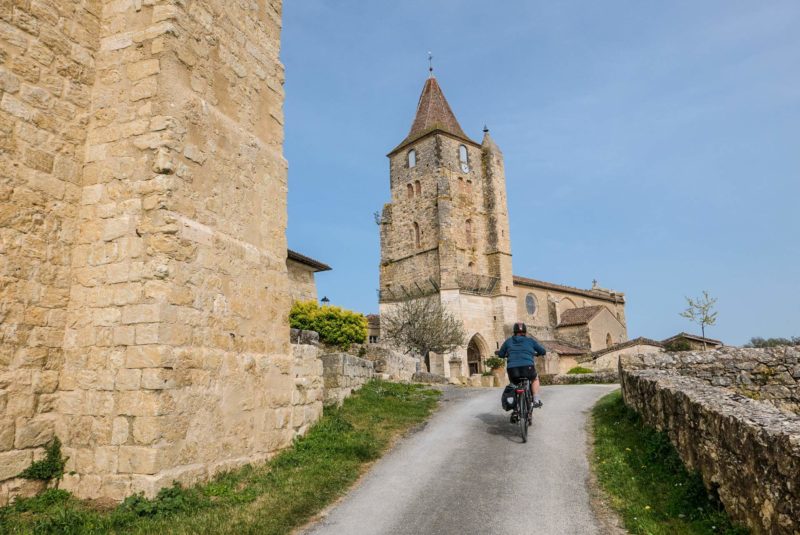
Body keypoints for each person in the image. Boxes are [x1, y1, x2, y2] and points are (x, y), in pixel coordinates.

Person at [496, 322, 546, 418]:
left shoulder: (508, 341)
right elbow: (543, 351)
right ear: (525, 332)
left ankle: (515, 409)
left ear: (514, 332)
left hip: (512, 369)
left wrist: (506, 354)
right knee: (535, 379)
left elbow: (501, 354)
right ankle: (535, 399)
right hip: (528, 367)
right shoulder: (530, 341)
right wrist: (537, 353)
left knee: (514, 385)